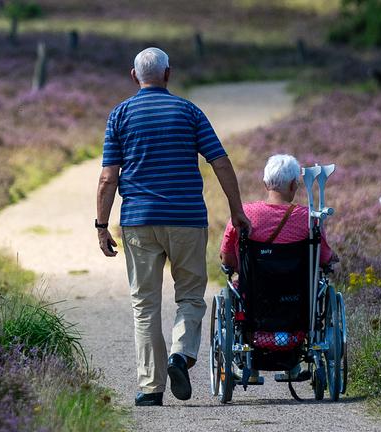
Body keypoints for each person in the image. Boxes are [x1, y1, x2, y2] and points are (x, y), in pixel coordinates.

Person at [95, 47, 251, 407]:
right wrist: (237, 209)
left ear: (134, 77)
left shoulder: (119, 115)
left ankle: (151, 389)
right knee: (191, 295)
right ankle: (180, 355)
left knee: (145, 305)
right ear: (168, 74)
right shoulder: (189, 112)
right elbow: (221, 162)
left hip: (139, 222)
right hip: (186, 219)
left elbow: (108, 178)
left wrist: (101, 225)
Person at [220, 154, 337, 383]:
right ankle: (293, 365)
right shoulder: (308, 219)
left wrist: (234, 266)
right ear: (294, 185)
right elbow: (323, 257)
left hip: (255, 301)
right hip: (297, 305)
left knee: (238, 289)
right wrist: (333, 259)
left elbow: (227, 257)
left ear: (265, 184)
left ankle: (250, 368)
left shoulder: (245, 215)